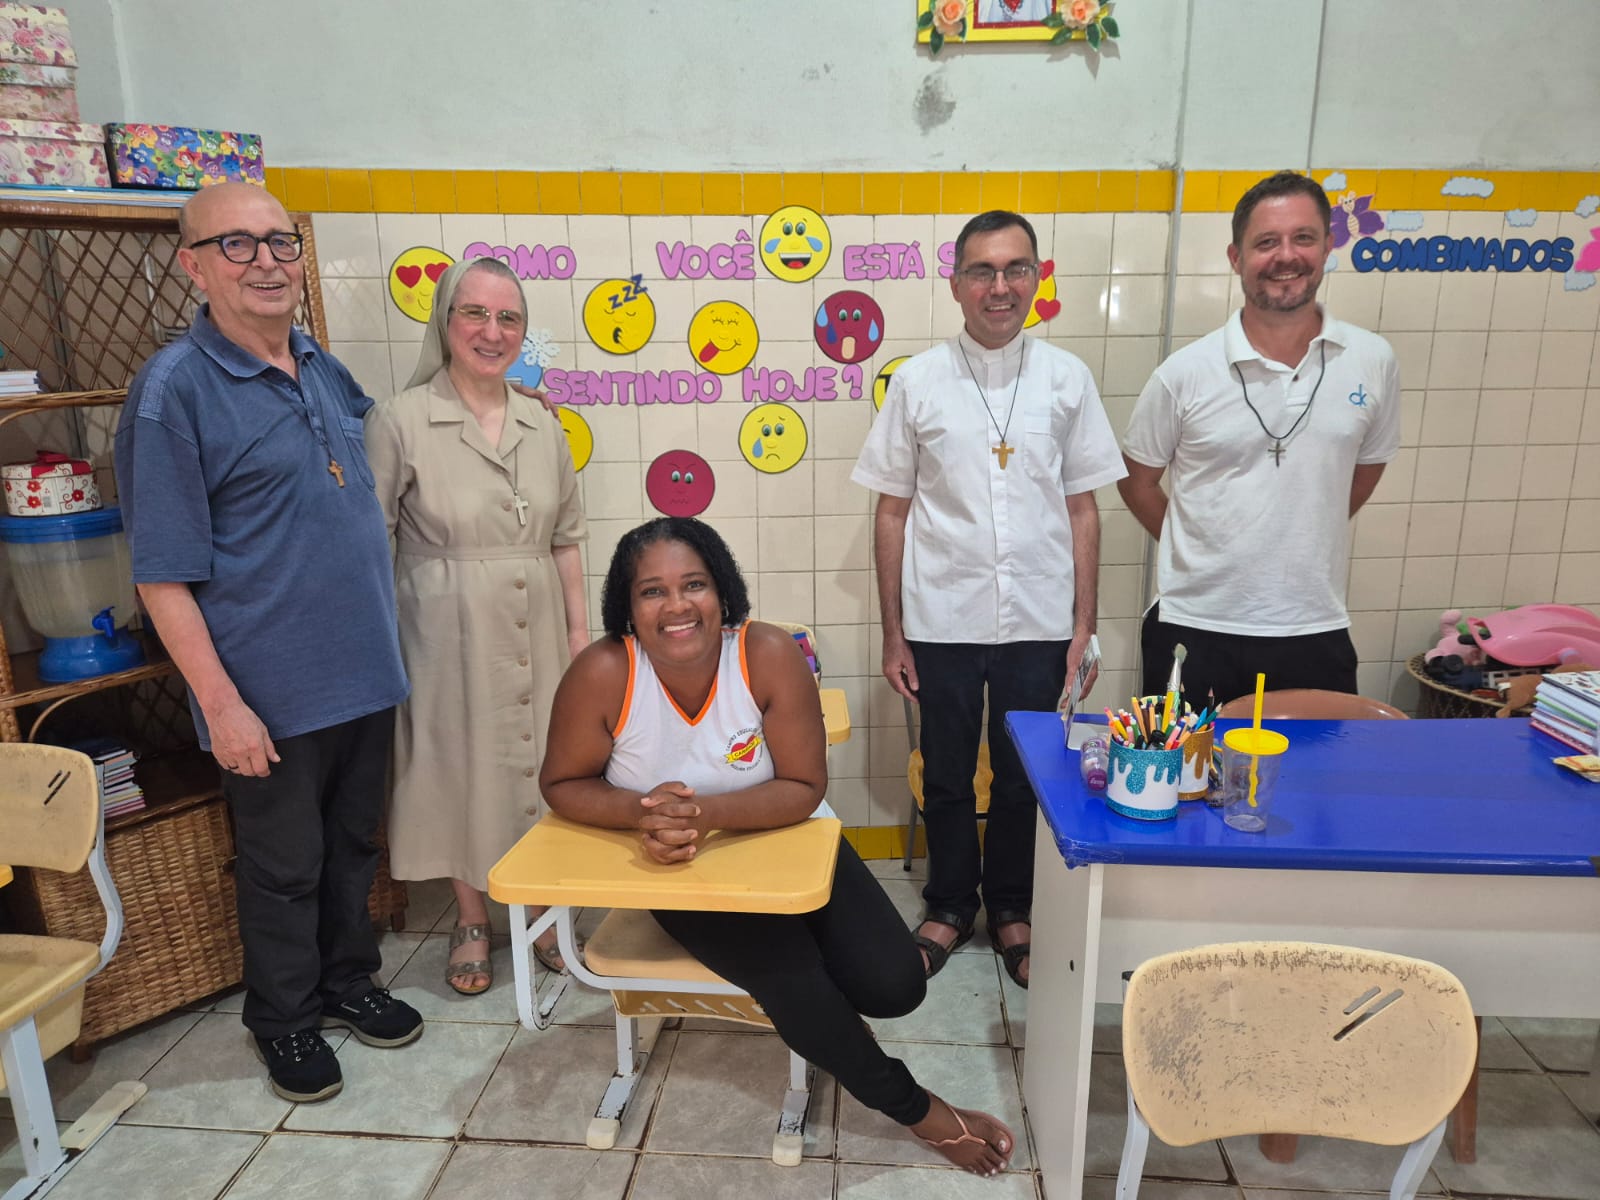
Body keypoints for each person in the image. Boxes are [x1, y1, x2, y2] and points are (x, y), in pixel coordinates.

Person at [540, 517, 1016, 1178]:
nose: (676, 606)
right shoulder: (602, 672)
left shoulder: (765, 653)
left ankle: (834, 1032)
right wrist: (640, 812)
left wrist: (703, 812)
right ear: (627, 608)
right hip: (683, 874)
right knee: (794, 979)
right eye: (652, 592)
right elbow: (562, 783)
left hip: (792, 842)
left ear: (722, 590)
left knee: (896, 984)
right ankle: (914, 1107)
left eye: (694, 584)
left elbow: (801, 784)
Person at [114, 182, 420, 1104]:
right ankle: (283, 1020)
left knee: (354, 846)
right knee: (284, 866)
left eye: (279, 244)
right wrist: (221, 702)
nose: (266, 264)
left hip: (364, 671)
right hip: (269, 690)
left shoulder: (321, 366)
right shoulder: (173, 393)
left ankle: (347, 983)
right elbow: (161, 577)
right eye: (237, 246)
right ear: (193, 264)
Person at [851, 210, 1126, 989]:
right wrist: (893, 633)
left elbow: (1083, 507)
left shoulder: (1067, 379)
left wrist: (1084, 630)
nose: (998, 286)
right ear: (956, 284)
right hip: (940, 616)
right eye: (982, 270)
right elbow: (892, 509)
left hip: (1040, 621)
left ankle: (1012, 907)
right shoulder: (917, 381)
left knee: (1022, 774)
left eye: (1014, 269)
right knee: (942, 770)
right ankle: (947, 904)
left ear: (1037, 279)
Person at [366, 258, 588, 996]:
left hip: (541, 624)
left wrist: (582, 640)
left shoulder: (541, 420)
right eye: (475, 314)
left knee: (542, 762)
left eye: (509, 318)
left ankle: (548, 910)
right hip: (443, 623)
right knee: (458, 762)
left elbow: (566, 539)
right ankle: (470, 918)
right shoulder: (400, 420)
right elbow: (371, 539)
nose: (492, 332)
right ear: (445, 321)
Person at [1118, 171, 1400, 710]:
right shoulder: (1185, 373)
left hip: (1313, 625)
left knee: (1315, 790)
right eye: (1266, 242)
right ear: (1236, 256)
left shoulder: (1372, 361)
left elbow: (1366, 466)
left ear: (1328, 245)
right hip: (1196, 624)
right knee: (1183, 788)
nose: (1285, 256)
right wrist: (1199, 542)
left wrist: (1296, 529)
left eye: (1303, 237)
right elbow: (1136, 479)